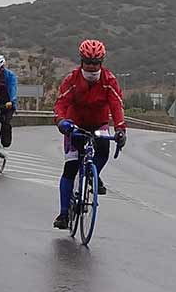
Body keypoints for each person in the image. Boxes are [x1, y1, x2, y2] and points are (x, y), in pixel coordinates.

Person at [52, 39, 127, 230]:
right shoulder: (72, 79)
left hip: (99, 123)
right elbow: (61, 103)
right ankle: (63, 214)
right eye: (88, 63)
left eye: (96, 63)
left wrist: (120, 129)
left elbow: (116, 106)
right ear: (81, 61)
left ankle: (94, 175)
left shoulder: (109, 80)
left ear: (101, 62)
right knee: (70, 168)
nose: (92, 68)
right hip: (74, 123)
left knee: (103, 149)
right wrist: (61, 121)